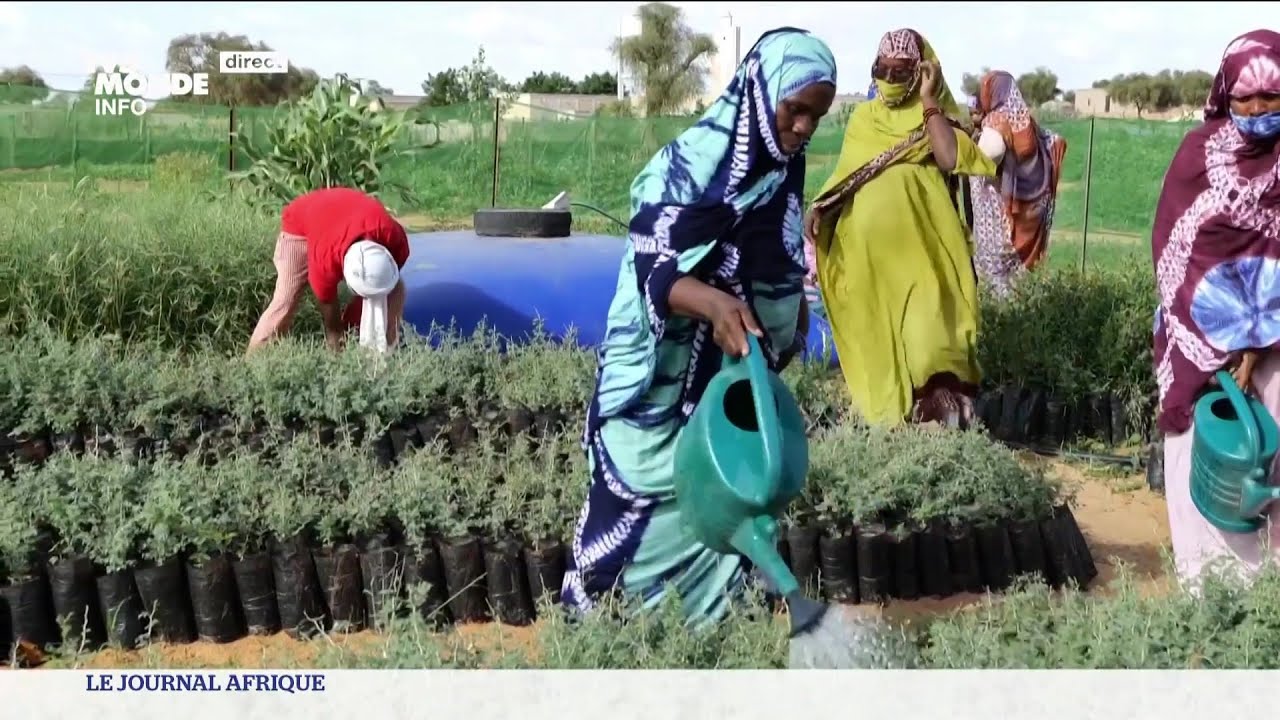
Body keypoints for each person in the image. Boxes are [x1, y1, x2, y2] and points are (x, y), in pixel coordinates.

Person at [560, 27, 837, 626]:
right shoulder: (683, 170)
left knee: (722, 505)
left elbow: (776, 267)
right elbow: (651, 268)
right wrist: (712, 304)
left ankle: (704, 643)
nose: (805, 129)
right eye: (796, 111)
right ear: (761, 94)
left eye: (818, 115)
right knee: (632, 502)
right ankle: (601, 637)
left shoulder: (778, 176)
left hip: (717, 377)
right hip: (653, 385)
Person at [802, 28, 996, 429]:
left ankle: (940, 420)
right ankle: (895, 427)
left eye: (900, 71)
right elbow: (847, 174)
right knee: (882, 337)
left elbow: (947, 157)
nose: (889, 80)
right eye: (882, 70)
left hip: (925, 251)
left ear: (923, 70)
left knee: (930, 336)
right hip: (872, 258)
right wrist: (820, 205)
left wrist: (928, 101)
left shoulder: (934, 118)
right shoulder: (863, 118)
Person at [1153, 29, 1280, 588]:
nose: (1258, 109)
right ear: (1225, 95)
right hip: (1195, 339)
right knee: (1202, 451)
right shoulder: (1196, 156)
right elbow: (1176, 253)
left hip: (1273, 346)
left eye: (1272, 96)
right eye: (1245, 97)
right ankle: (1201, 591)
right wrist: (1226, 342)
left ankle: (1263, 597)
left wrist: (1255, 343)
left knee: (1264, 455)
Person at [246, 187, 409, 354]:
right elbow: (329, 309)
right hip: (300, 224)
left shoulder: (397, 243)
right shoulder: (325, 260)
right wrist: (337, 341)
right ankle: (254, 361)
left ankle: (384, 350)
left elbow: (380, 286)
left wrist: (356, 326)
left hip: (344, 215)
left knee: (395, 290)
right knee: (285, 300)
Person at [967, 70, 1068, 298]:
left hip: (995, 225)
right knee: (1019, 292)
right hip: (1023, 225)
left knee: (995, 292)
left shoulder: (995, 124)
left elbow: (985, 158)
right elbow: (1052, 144)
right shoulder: (1027, 123)